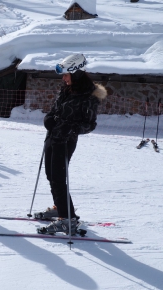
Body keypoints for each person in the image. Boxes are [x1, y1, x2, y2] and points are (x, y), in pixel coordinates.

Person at [35, 53, 107, 235]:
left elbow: (89, 125)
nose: (63, 78)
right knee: (51, 175)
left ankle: (68, 218)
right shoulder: (67, 89)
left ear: (75, 73)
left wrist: (67, 128)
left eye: (66, 75)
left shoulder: (88, 96)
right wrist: (49, 118)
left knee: (58, 178)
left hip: (66, 141)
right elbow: (56, 109)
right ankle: (60, 207)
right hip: (53, 136)